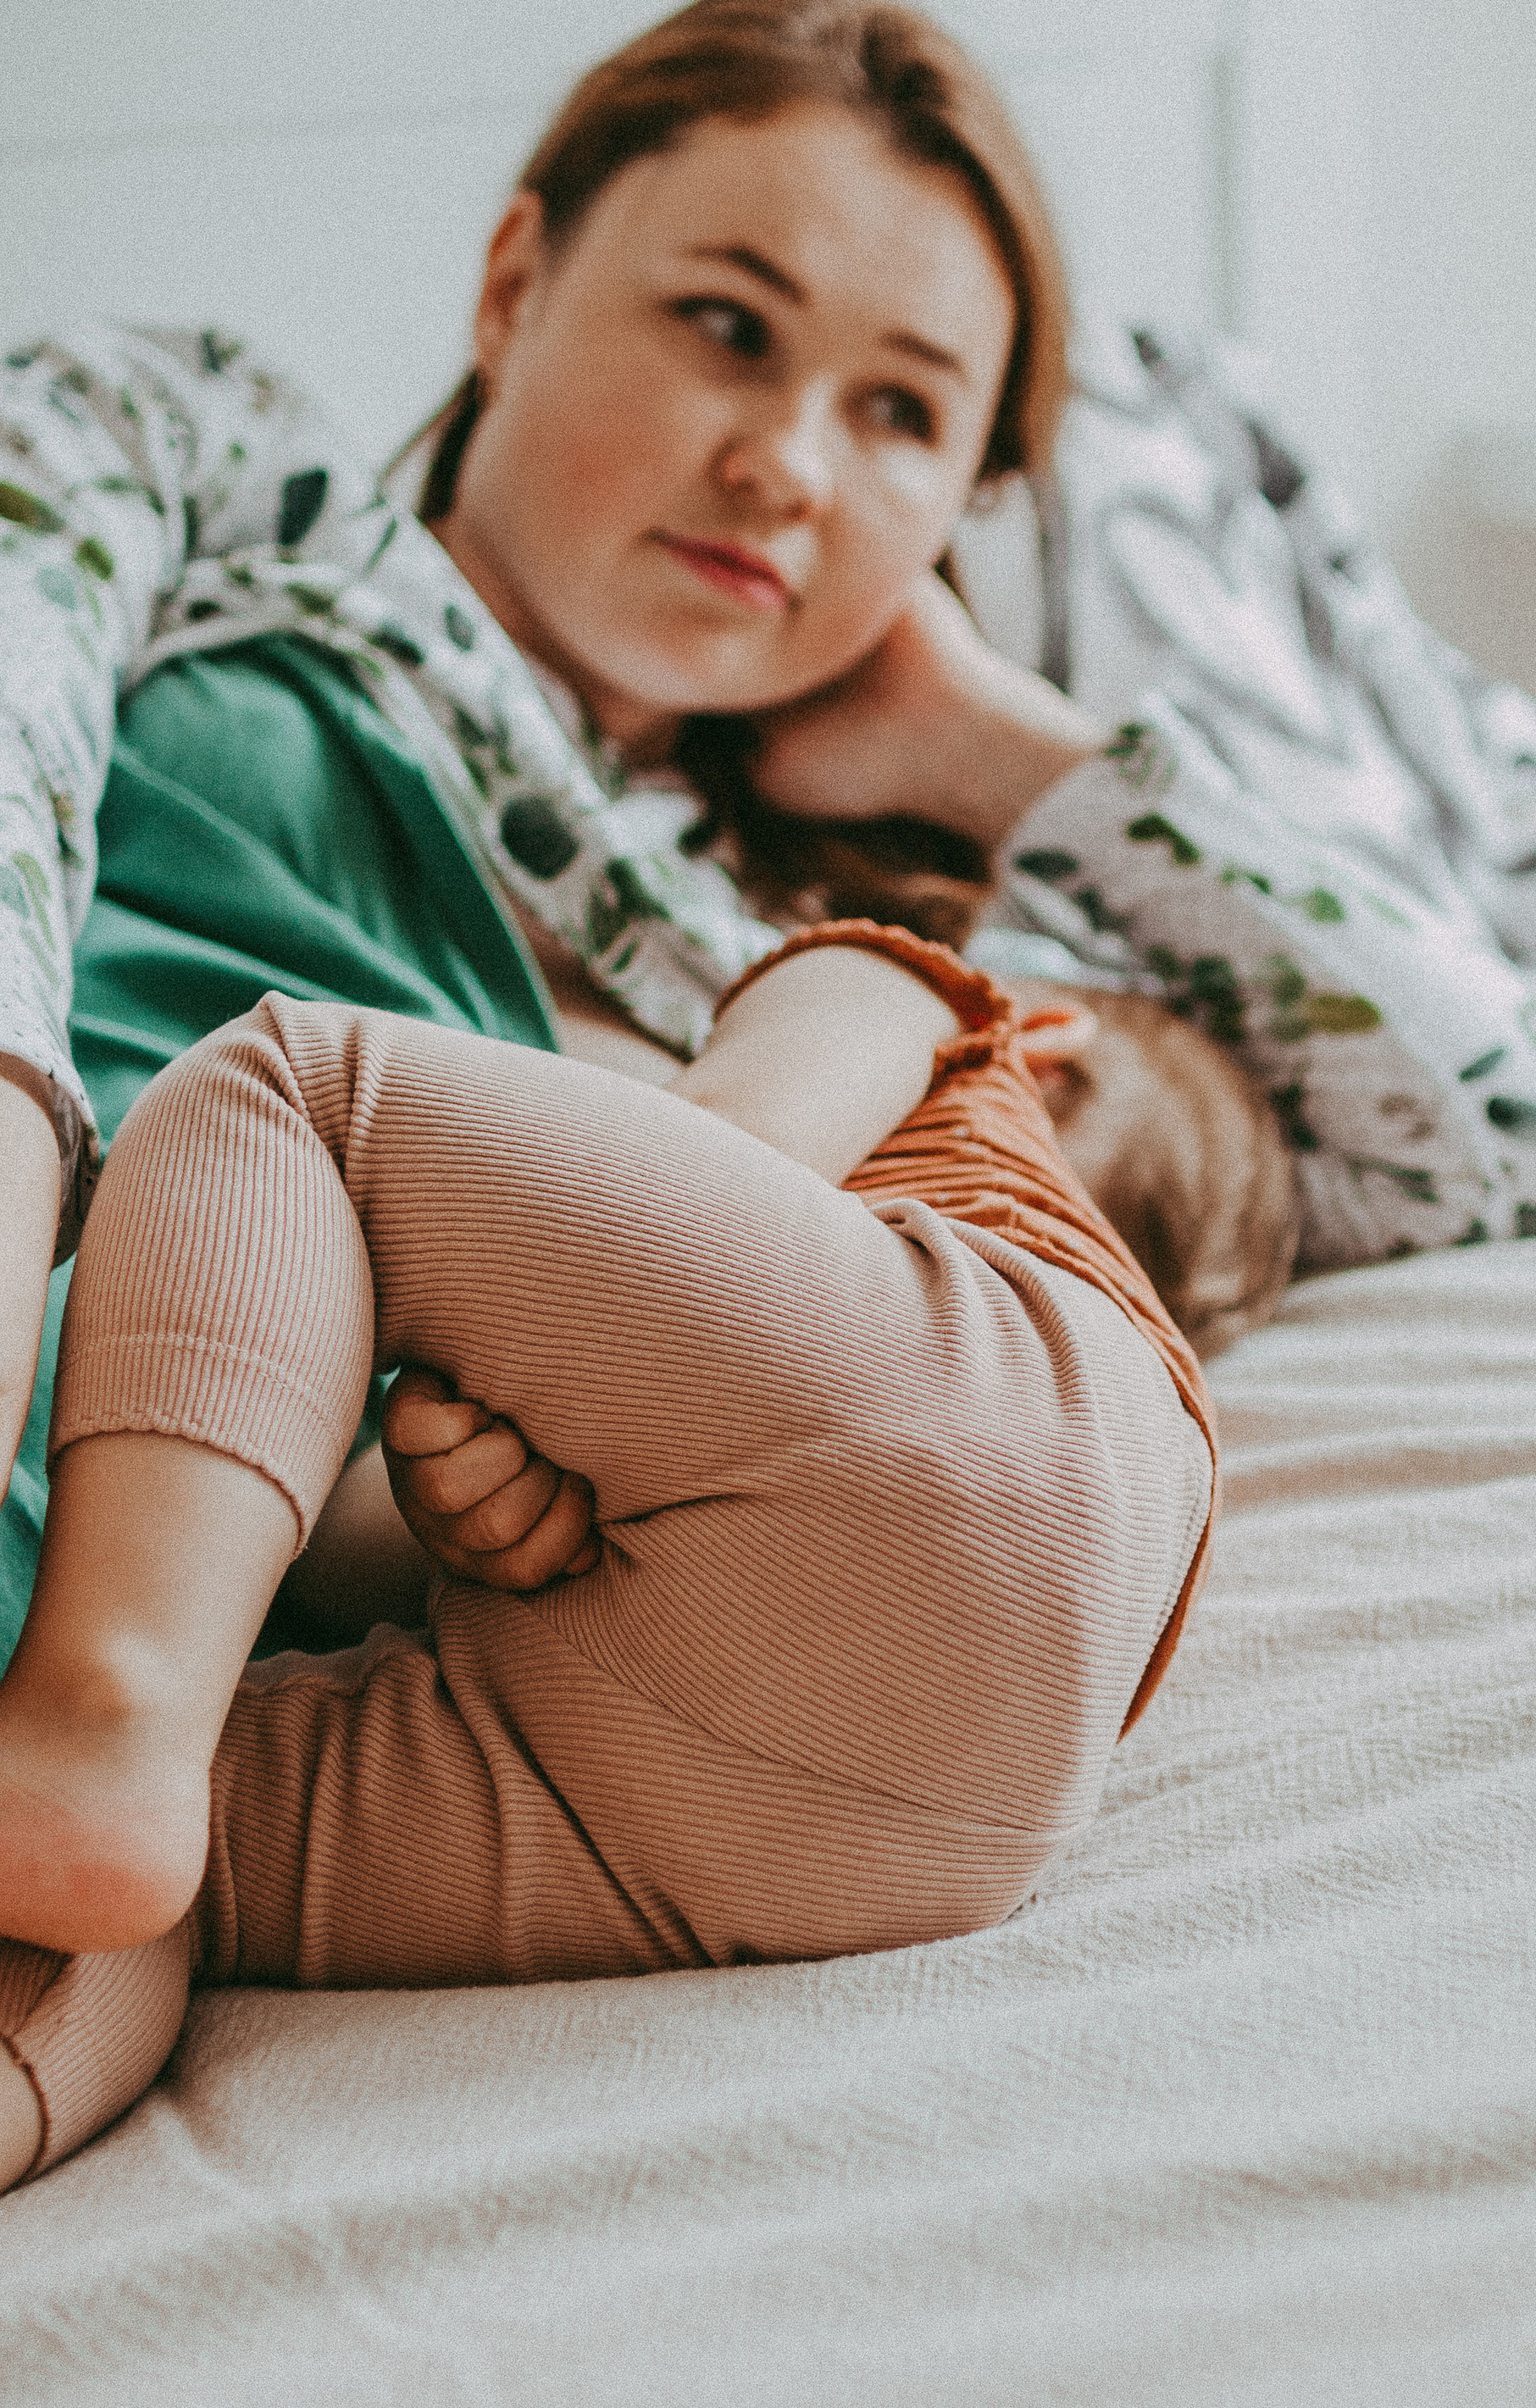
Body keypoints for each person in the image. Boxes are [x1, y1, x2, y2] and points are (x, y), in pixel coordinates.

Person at [0, 0, 1536, 1662]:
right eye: (727, 325)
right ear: (514, 290)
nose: (786, 465)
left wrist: (1004, 750)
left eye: (899, 415)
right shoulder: (227, 483)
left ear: (960, 505)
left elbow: (1511, 1145)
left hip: (184, 1626)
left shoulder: (823, 978)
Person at [0, 918, 1217, 2191]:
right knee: (165, 1867)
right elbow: (331, 1565)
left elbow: (738, 1136)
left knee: (297, 1090)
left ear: (1051, 1039)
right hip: (927, 1841)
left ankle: (105, 1706)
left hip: (1000, 1453)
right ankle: (112, 1794)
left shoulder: (929, 996)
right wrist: (458, 1505)